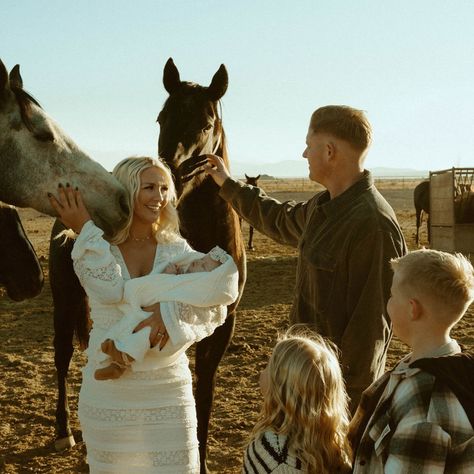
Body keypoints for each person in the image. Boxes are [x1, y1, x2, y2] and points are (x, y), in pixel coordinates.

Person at [205, 105, 407, 411]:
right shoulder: (323, 207)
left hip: (330, 397)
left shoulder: (373, 225)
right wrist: (228, 184)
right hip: (301, 382)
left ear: (329, 151)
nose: (303, 154)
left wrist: (336, 408)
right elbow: (278, 218)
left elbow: (370, 331)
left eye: (308, 145)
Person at [48, 156, 236, 473]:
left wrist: (170, 314)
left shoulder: (176, 249)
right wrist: (83, 229)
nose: (159, 197)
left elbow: (215, 302)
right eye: (149, 187)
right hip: (110, 394)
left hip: (167, 390)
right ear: (127, 190)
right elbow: (108, 289)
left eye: (164, 189)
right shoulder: (94, 244)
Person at [349, 249, 474, 472]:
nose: (388, 302)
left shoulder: (426, 408)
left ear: (412, 308)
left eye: (392, 295)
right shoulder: (423, 365)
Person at [95, 247, 238, 380]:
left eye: (203, 266)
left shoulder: (200, 290)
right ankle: (117, 359)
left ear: (208, 281)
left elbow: (201, 307)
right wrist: (167, 276)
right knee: (136, 322)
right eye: (201, 259)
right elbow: (165, 285)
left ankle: (124, 357)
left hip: (167, 337)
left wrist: (167, 310)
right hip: (144, 315)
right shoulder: (183, 271)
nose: (197, 262)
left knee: (144, 330)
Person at [243, 329, 352, 473]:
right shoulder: (337, 445)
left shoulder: (269, 451)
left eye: (268, 366)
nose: (261, 372)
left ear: (281, 387)